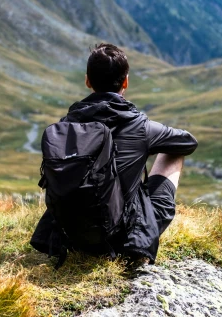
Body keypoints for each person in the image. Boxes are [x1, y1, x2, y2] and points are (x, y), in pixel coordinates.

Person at [31, 43, 198, 263]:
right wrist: (145, 146)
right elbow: (188, 142)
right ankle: (137, 243)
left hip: (69, 235)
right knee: (173, 152)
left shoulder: (67, 125)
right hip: (122, 240)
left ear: (88, 81)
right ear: (126, 81)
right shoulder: (140, 127)